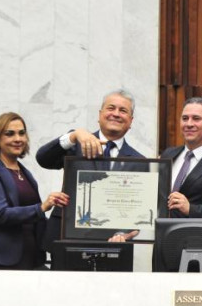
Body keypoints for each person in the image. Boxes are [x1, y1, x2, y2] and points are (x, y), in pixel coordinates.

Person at [35, 89, 145, 249]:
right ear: (100, 115)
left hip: (112, 243)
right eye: (111, 108)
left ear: (131, 120)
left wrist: (124, 232)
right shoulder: (76, 143)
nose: (116, 114)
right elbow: (43, 159)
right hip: (67, 236)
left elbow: (137, 208)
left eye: (123, 110)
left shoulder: (140, 161)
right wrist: (73, 135)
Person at [0, 112, 69, 270]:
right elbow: (1, 214)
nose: (18, 139)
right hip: (1, 259)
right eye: (10, 134)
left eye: (21, 133)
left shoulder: (24, 172)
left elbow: (36, 218)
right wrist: (42, 207)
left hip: (32, 257)